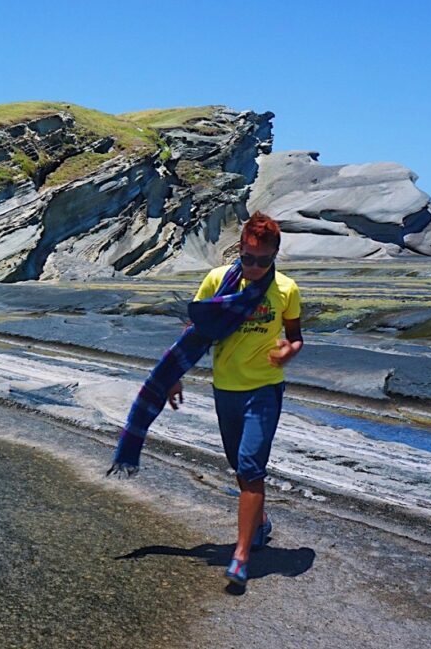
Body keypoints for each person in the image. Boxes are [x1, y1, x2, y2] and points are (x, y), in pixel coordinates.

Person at [167, 212, 302, 587]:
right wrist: (174, 375)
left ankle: (240, 555)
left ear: (276, 255)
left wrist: (287, 353)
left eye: (264, 260)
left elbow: (296, 336)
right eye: (248, 258)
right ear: (239, 250)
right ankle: (259, 522)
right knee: (239, 468)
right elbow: (194, 333)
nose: (255, 267)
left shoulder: (286, 290)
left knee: (250, 468)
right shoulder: (217, 282)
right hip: (225, 389)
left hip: (264, 389)